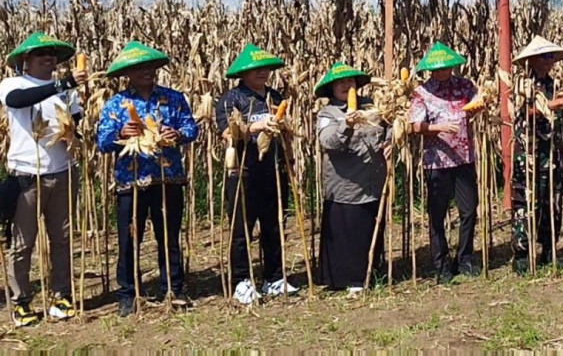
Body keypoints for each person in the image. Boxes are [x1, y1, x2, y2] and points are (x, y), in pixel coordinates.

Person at [96, 42, 198, 316]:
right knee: (130, 239)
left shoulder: (174, 98)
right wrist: (122, 133)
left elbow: (191, 127)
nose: (146, 72)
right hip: (131, 182)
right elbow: (103, 142)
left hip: (168, 179)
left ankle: (174, 288)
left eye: (150, 67)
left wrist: (177, 134)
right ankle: (129, 294)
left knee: (169, 237)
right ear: (128, 72)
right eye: (139, 67)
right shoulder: (116, 104)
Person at [0, 32, 86, 327]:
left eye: (52, 53)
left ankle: (61, 296)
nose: (48, 57)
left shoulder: (66, 93)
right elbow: (18, 101)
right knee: (23, 244)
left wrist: (77, 132)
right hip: (27, 175)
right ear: (26, 59)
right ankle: (21, 301)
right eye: (41, 54)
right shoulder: (14, 84)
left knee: (61, 239)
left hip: (62, 173)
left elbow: (74, 122)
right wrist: (62, 84)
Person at [215, 43, 299, 304]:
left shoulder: (274, 97)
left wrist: (291, 159)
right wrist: (258, 125)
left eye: (264, 68)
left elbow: (286, 133)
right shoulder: (232, 99)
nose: (262, 73)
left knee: (274, 226)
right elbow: (228, 133)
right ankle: (241, 280)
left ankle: (274, 277)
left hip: (273, 170)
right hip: (243, 171)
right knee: (242, 228)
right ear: (243, 73)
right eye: (255, 69)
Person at [408, 42, 481, 284]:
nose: (442, 72)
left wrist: (480, 105)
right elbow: (413, 126)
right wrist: (438, 128)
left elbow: (478, 101)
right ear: (430, 70)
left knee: (469, 209)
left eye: (446, 67)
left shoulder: (465, 86)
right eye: (437, 69)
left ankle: (465, 259)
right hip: (437, 161)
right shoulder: (422, 93)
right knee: (437, 214)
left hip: (464, 157)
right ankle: (441, 265)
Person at [314, 62, 388, 293]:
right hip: (345, 185)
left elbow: (390, 127)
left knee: (369, 228)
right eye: (341, 83)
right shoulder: (328, 114)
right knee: (348, 232)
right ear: (332, 89)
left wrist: (392, 142)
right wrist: (346, 125)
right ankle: (349, 279)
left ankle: (372, 272)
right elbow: (328, 142)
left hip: (373, 183)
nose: (347, 86)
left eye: (351, 82)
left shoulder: (372, 107)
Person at [509, 36, 563, 274]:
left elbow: (557, 123)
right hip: (528, 153)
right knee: (525, 201)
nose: (550, 62)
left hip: (552, 153)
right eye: (545, 57)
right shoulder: (521, 83)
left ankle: (549, 248)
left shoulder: (554, 84)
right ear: (532, 59)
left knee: (553, 200)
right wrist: (557, 104)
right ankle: (521, 253)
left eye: (551, 57)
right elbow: (526, 111)